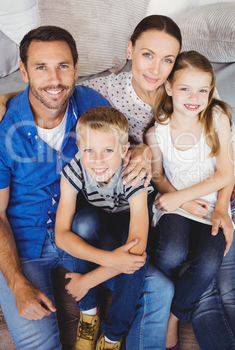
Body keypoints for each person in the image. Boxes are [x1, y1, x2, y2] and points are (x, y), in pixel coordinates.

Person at [0, 16, 235, 349]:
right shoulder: (97, 94)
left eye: (167, 60)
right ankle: (103, 313)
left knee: (205, 290)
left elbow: (227, 167)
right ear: (130, 50)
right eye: (147, 54)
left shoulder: (189, 97)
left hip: (203, 202)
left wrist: (216, 204)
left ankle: (154, 324)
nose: (156, 69)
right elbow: (50, 88)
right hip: (128, 213)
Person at [0, 25, 173, 350]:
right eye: (41, 67)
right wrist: (15, 282)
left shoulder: (89, 103)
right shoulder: (4, 127)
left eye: (63, 66)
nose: (54, 79)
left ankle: (112, 334)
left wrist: (144, 150)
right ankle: (88, 314)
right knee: (37, 342)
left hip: (84, 229)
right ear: (23, 71)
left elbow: (121, 140)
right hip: (26, 246)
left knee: (161, 290)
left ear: (76, 68)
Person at [146, 50, 235, 348]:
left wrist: (219, 207)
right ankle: (167, 286)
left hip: (209, 207)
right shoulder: (157, 131)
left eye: (203, 90)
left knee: (210, 262)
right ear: (169, 88)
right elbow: (158, 177)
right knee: (170, 253)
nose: (194, 97)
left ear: (211, 91)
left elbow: (226, 174)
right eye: (185, 88)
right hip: (174, 204)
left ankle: (175, 313)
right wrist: (179, 201)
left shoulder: (216, 118)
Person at [55, 106, 154, 349]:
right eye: (89, 150)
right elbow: (61, 235)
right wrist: (111, 260)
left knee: (134, 264)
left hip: (131, 220)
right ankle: (88, 311)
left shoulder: (133, 172)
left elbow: (135, 248)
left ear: (124, 150)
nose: (98, 160)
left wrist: (86, 280)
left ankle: (112, 335)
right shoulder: (74, 170)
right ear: (79, 147)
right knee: (82, 223)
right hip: (99, 218)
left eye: (108, 151)